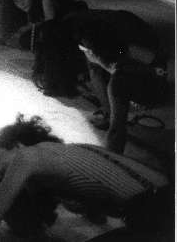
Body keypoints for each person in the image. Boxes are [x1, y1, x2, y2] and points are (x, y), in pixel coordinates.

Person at [0, 114, 173, 242]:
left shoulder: (27, 157)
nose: (0, 174)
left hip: (159, 212)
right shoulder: (70, 151)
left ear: (18, 145)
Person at [70, 9, 169, 154]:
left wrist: (110, 160)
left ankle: (116, 108)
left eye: (82, 49)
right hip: (142, 72)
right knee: (98, 70)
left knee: (115, 85)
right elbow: (159, 62)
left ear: (91, 52)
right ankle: (109, 109)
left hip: (149, 90)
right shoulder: (122, 49)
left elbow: (117, 131)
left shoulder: (118, 81)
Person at [6, 0, 88, 97]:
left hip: (76, 25)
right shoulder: (32, 6)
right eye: (16, 1)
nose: (21, 4)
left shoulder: (45, 0)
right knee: (26, 39)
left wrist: (39, 67)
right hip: (58, 26)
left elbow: (50, 30)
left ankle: (64, 82)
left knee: (49, 42)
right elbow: (37, 24)